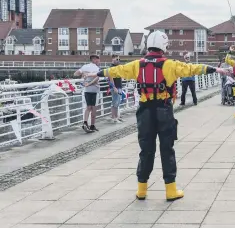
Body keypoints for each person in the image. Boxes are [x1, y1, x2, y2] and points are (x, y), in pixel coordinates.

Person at [85, 31, 226, 201]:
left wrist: (97, 74)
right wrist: (215, 69)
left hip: (144, 111)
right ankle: (170, 190)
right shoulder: (170, 65)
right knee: (167, 149)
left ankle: (142, 190)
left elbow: (117, 71)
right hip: (164, 110)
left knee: (146, 150)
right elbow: (192, 68)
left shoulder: (137, 64)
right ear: (163, 46)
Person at [74, 54, 100, 133]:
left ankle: (85, 122)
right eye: (98, 59)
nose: (99, 61)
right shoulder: (97, 68)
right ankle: (92, 125)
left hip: (87, 90)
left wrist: (83, 74)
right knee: (94, 108)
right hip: (95, 89)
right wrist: (89, 83)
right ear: (94, 59)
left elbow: (75, 73)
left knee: (88, 107)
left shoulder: (85, 66)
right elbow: (97, 78)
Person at [109, 55, 124, 123]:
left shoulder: (118, 67)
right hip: (115, 87)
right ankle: (114, 118)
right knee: (114, 103)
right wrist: (114, 87)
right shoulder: (111, 67)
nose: (118, 60)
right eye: (117, 59)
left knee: (117, 102)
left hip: (119, 86)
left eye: (119, 59)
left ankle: (117, 117)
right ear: (113, 60)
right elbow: (110, 78)